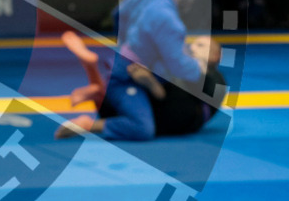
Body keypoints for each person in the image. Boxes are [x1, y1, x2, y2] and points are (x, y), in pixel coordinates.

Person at [55, 0, 208, 142]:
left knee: (156, 78)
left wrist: (129, 43)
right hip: (125, 80)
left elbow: (119, 13)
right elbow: (179, 67)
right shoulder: (170, 22)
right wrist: (199, 67)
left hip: (121, 63)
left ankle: (98, 86)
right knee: (143, 128)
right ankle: (89, 124)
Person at [56, 31, 224, 140]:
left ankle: (96, 83)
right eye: (192, 44)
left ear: (217, 55)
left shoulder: (215, 80)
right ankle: (95, 82)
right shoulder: (175, 71)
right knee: (139, 124)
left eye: (201, 45)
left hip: (157, 114)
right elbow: (160, 92)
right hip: (141, 103)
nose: (193, 47)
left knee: (114, 109)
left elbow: (207, 94)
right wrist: (149, 79)